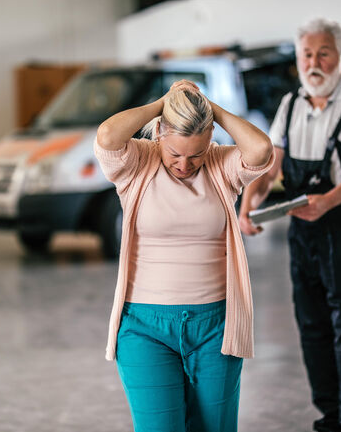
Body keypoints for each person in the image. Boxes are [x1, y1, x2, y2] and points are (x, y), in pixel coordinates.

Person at [95, 79, 273, 432]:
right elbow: (107, 135)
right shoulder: (136, 163)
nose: (184, 164)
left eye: (196, 154)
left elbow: (261, 150)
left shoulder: (221, 165)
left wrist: (211, 108)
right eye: (175, 153)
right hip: (145, 329)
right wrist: (165, 102)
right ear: (159, 133)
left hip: (216, 329)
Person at [239, 17, 341, 432]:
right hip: (305, 231)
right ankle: (331, 417)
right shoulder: (290, 105)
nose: (314, 62)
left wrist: (329, 201)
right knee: (312, 326)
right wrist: (252, 199)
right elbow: (271, 167)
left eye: (323, 53)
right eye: (307, 54)